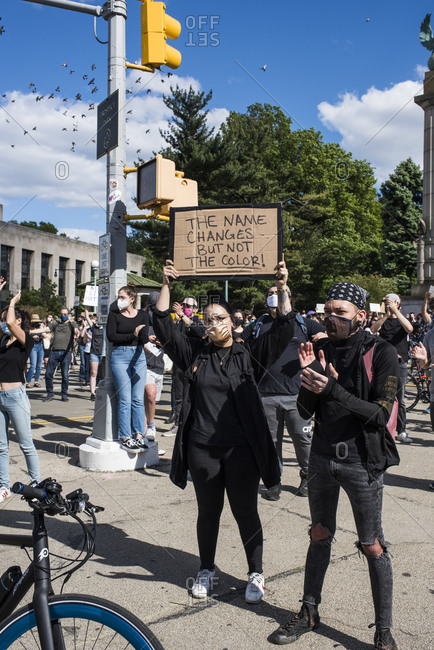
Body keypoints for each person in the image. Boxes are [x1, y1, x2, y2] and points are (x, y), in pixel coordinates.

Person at [152, 258, 293, 604]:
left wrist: (283, 288)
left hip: (240, 450)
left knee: (246, 511)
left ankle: (256, 573)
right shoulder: (194, 353)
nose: (213, 323)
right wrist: (167, 284)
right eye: (208, 318)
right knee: (208, 511)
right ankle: (206, 569)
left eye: (220, 318)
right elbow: (162, 325)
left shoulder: (249, 355)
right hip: (203, 449)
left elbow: (285, 329)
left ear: (232, 322)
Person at [269, 281, 399, 650]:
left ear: (360, 316)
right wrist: (310, 384)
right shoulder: (320, 347)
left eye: (340, 312)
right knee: (319, 535)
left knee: (372, 544)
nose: (331, 317)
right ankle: (309, 611)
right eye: (328, 311)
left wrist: (332, 389)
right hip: (323, 457)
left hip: (363, 461)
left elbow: (380, 413)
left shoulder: (382, 351)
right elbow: (305, 410)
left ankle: (383, 631)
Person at [241, 284, 326, 500]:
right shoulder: (258, 325)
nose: (274, 297)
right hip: (265, 394)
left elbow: (327, 339)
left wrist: (321, 342)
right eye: (270, 294)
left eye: (278, 293)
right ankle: (273, 480)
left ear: (288, 297)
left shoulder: (303, 323)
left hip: (298, 394)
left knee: (303, 439)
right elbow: (239, 342)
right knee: (270, 441)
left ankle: (308, 476)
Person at [0, 281, 40, 502]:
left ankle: (35, 486)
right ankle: (3, 486)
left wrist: (12, 301)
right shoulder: (3, 340)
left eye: (8, 317)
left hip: (16, 397)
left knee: (26, 444)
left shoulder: (27, 341)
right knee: (1, 447)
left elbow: (9, 321)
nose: (4, 321)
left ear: (18, 321)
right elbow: (4, 322)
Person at [106, 284, 149, 452]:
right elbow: (112, 336)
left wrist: (149, 340)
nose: (119, 300)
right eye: (119, 297)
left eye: (123, 297)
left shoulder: (143, 315)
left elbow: (143, 336)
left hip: (139, 356)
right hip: (119, 356)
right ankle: (125, 436)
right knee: (125, 398)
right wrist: (133, 335)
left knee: (138, 398)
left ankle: (139, 435)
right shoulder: (114, 314)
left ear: (132, 299)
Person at [371, 293, 413, 443]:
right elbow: (373, 329)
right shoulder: (384, 319)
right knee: (382, 396)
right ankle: (383, 427)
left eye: (390, 302)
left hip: (400, 362)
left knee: (400, 398)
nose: (388, 305)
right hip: (383, 362)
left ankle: (402, 430)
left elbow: (409, 328)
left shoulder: (402, 319)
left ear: (397, 303)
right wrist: (386, 316)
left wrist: (396, 312)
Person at [164, 296, 205, 438]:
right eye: (183, 305)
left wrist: (182, 316)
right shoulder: (179, 321)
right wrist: (175, 319)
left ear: (195, 309)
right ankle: (178, 425)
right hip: (179, 366)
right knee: (179, 397)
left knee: (195, 396)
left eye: (188, 305)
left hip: (194, 365)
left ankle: (195, 425)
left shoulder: (198, 321)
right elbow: (169, 335)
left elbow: (200, 333)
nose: (184, 307)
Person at [32, 308, 79, 402]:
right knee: (48, 374)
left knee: (65, 375)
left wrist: (77, 333)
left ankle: (64, 394)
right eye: (61, 313)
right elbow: (45, 329)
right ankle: (50, 393)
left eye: (65, 314)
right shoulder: (56, 324)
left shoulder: (71, 324)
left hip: (66, 353)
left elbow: (76, 330)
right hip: (54, 352)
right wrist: (30, 331)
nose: (63, 315)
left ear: (68, 315)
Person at [143, 292, 165, 442]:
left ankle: (144, 435)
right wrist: (144, 340)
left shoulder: (164, 321)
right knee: (150, 395)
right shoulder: (141, 319)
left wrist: (162, 343)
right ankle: (150, 426)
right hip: (144, 365)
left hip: (159, 366)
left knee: (151, 402)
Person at [84, 309, 104, 401]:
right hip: (94, 352)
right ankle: (92, 393)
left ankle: (102, 390)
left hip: (103, 352)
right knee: (93, 373)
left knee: (103, 374)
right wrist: (86, 308)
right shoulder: (94, 328)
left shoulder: (106, 328)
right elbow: (87, 317)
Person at [25, 314, 44, 388]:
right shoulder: (28, 328)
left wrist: (43, 334)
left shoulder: (40, 327)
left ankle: (36, 381)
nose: (36, 323)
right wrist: (32, 337)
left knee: (39, 366)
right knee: (33, 365)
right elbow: (25, 336)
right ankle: (28, 381)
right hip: (33, 346)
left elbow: (46, 334)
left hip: (40, 346)